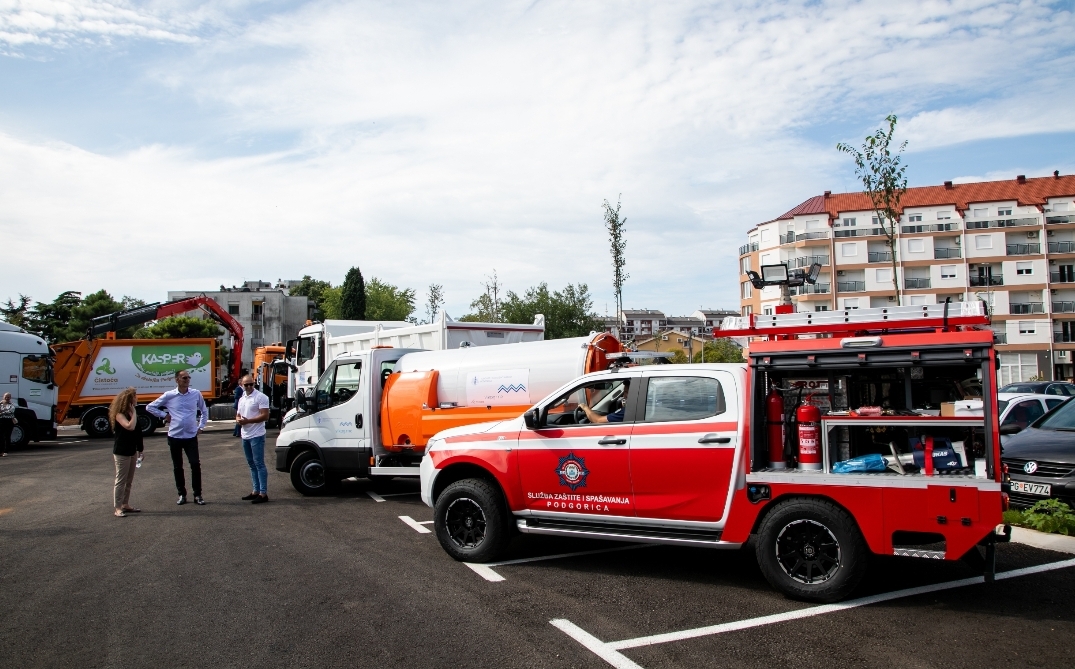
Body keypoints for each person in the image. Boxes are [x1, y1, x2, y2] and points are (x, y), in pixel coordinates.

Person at [147, 369, 208, 505]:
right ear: (177, 380)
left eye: (188, 377)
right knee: (177, 466)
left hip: (191, 435)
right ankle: (182, 494)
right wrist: (164, 415)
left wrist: (201, 427)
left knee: (195, 464)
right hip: (175, 435)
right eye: (184, 378)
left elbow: (204, 410)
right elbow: (150, 407)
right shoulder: (169, 395)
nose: (187, 380)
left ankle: (198, 494)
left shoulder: (196, 394)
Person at [109, 387, 144, 517]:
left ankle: (125, 504)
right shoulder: (119, 414)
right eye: (135, 397)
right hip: (121, 451)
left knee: (129, 480)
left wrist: (140, 450)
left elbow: (138, 433)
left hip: (132, 450)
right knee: (121, 480)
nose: (137, 399)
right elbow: (130, 426)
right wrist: (134, 411)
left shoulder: (132, 414)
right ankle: (117, 507)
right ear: (129, 400)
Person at [236, 374, 271, 504]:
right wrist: (238, 420)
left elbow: (265, 416)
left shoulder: (261, 397)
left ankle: (263, 493)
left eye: (252, 384)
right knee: (251, 464)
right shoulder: (242, 398)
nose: (249, 386)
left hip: (257, 435)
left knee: (259, 463)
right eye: (247, 385)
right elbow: (238, 414)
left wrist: (248, 421)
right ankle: (255, 491)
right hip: (245, 435)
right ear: (242, 385)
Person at [232, 368, 249, 438]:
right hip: (238, 405)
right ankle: (238, 433)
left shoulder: (242, 388)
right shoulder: (238, 389)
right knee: (239, 419)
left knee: (239, 419)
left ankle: (236, 432)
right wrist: (242, 397)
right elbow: (236, 396)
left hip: (241, 405)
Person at [0, 392, 17, 457]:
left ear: (10, 398)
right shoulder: (0, 404)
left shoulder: (12, 404)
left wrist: (1, 413)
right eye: (6, 396)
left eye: (8, 397)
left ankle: (6, 451)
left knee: (7, 436)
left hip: (9, 421)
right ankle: (0, 451)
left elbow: (10, 411)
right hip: (1, 421)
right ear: (3, 397)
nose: (7, 398)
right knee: (1, 436)